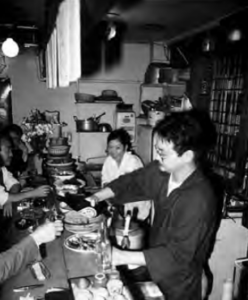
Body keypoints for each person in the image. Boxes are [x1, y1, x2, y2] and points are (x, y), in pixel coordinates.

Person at [86, 110, 218, 300]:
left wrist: (120, 256)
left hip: (183, 285)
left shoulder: (198, 198)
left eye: (162, 153)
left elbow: (178, 256)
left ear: (187, 156)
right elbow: (131, 182)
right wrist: (94, 198)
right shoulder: (163, 173)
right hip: (158, 274)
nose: (157, 157)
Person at [102, 128, 151, 221]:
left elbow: (126, 187)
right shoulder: (108, 161)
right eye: (110, 147)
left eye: (118, 148)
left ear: (126, 147)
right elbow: (105, 181)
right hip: (118, 206)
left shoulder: (133, 162)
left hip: (137, 209)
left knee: (133, 233)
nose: (113, 151)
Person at [0, 134, 50, 218]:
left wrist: (8, 200)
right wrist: (34, 193)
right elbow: (3, 197)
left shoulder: (2, 169)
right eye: (8, 150)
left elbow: (15, 184)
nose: (11, 154)